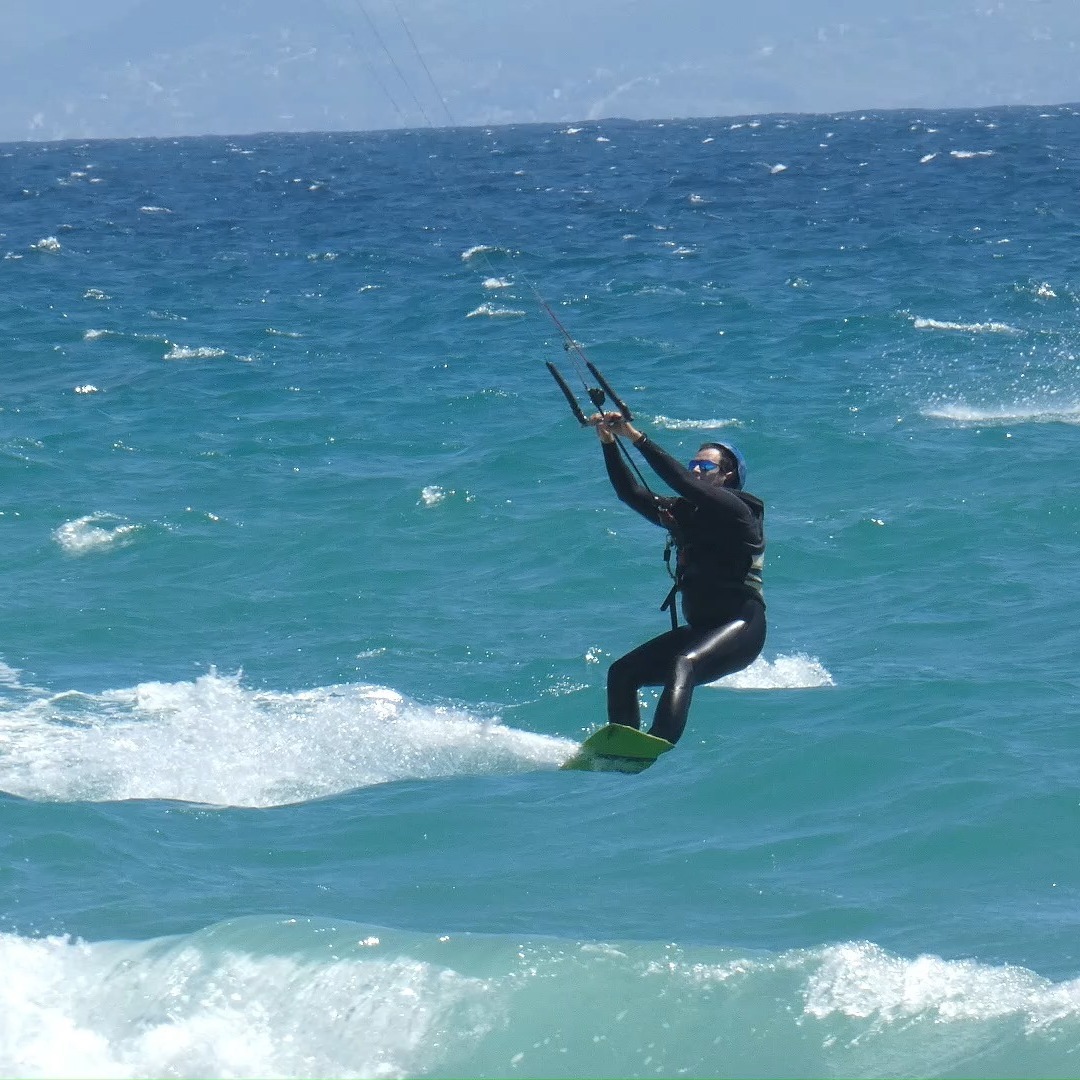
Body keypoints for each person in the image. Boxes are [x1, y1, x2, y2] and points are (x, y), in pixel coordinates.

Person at [589, 412, 766, 746]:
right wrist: (609, 442)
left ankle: (658, 741)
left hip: (742, 627)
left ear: (727, 476)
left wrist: (635, 436)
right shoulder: (685, 516)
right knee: (622, 673)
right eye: (694, 463)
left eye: (707, 467)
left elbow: (682, 481)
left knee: (681, 663)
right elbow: (630, 492)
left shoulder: (739, 513)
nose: (696, 470)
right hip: (701, 630)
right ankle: (623, 746)